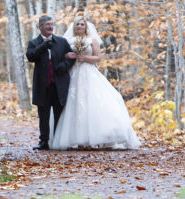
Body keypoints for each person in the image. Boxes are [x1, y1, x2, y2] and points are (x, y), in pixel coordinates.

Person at [51, 17, 141, 150]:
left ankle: (91, 138)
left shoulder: (92, 40)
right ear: (74, 27)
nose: (80, 26)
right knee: (73, 104)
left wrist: (85, 57)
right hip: (72, 72)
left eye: (82, 24)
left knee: (91, 103)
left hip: (88, 72)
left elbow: (98, 57)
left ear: (86, 27)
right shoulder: (67, 41)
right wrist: (68, 57)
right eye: (78, 25)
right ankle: (77, 140)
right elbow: (61, 54)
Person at [26, 14, 76, 150]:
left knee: (59, 113)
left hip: (59, 84)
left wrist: (64, 66)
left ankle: (58, 140)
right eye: (47, 24)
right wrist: (43, 46)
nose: (50, 27)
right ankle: (44, 142)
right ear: (40, 27)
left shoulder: (61, 41)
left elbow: (72, 57)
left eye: (51, 24)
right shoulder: (34, 43)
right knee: (43, 115)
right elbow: (30, 56)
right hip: (42, 85)